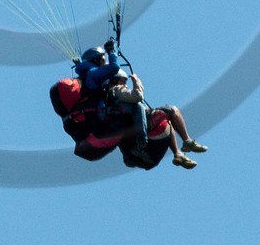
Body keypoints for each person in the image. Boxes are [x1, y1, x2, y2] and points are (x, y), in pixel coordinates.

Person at [52, 41, 207, 171]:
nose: (105, 62)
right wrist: (112, 51)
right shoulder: (95, 75)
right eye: (103, 59)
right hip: (109, 117)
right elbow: (115, 71)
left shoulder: (90, 77)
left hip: (105, 120)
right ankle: (181, 142)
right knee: (158, 109)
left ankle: (178, 153)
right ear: (97, 60)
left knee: (162, 120)